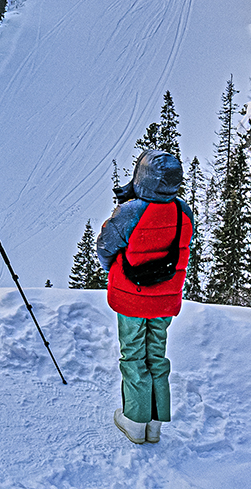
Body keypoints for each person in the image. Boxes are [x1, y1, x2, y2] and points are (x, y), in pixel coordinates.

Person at [96, 147, 196, 445]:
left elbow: (106, 246)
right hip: (165, 298)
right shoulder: (183, 212)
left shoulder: (131, 212)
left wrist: (111, 271)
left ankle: (135, 422)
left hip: (131, 298)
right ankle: (155, 424)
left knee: (134, 355)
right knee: (156, 356)